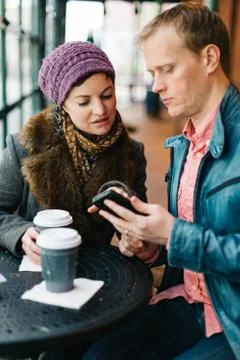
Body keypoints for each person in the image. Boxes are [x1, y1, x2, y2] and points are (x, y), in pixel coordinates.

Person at [85, 3, 240, 359]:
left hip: (231, 323)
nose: (156, 86)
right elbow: (190, 237)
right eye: (153, 72)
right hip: (190, 301)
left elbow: (190, 236)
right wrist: (151, 246)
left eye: (167, 69)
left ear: (209, 58)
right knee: (99, 355)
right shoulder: (185, 142)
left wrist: (173, 233)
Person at [0, 41, 157, 265]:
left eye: (107, 95)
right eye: (84, 102)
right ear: (63, 105)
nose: (101, 110)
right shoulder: (24, 146)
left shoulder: (132, 152)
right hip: (36, 271)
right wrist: (22, 234)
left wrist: (134, 238)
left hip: (98, 272)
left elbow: (137, 224)